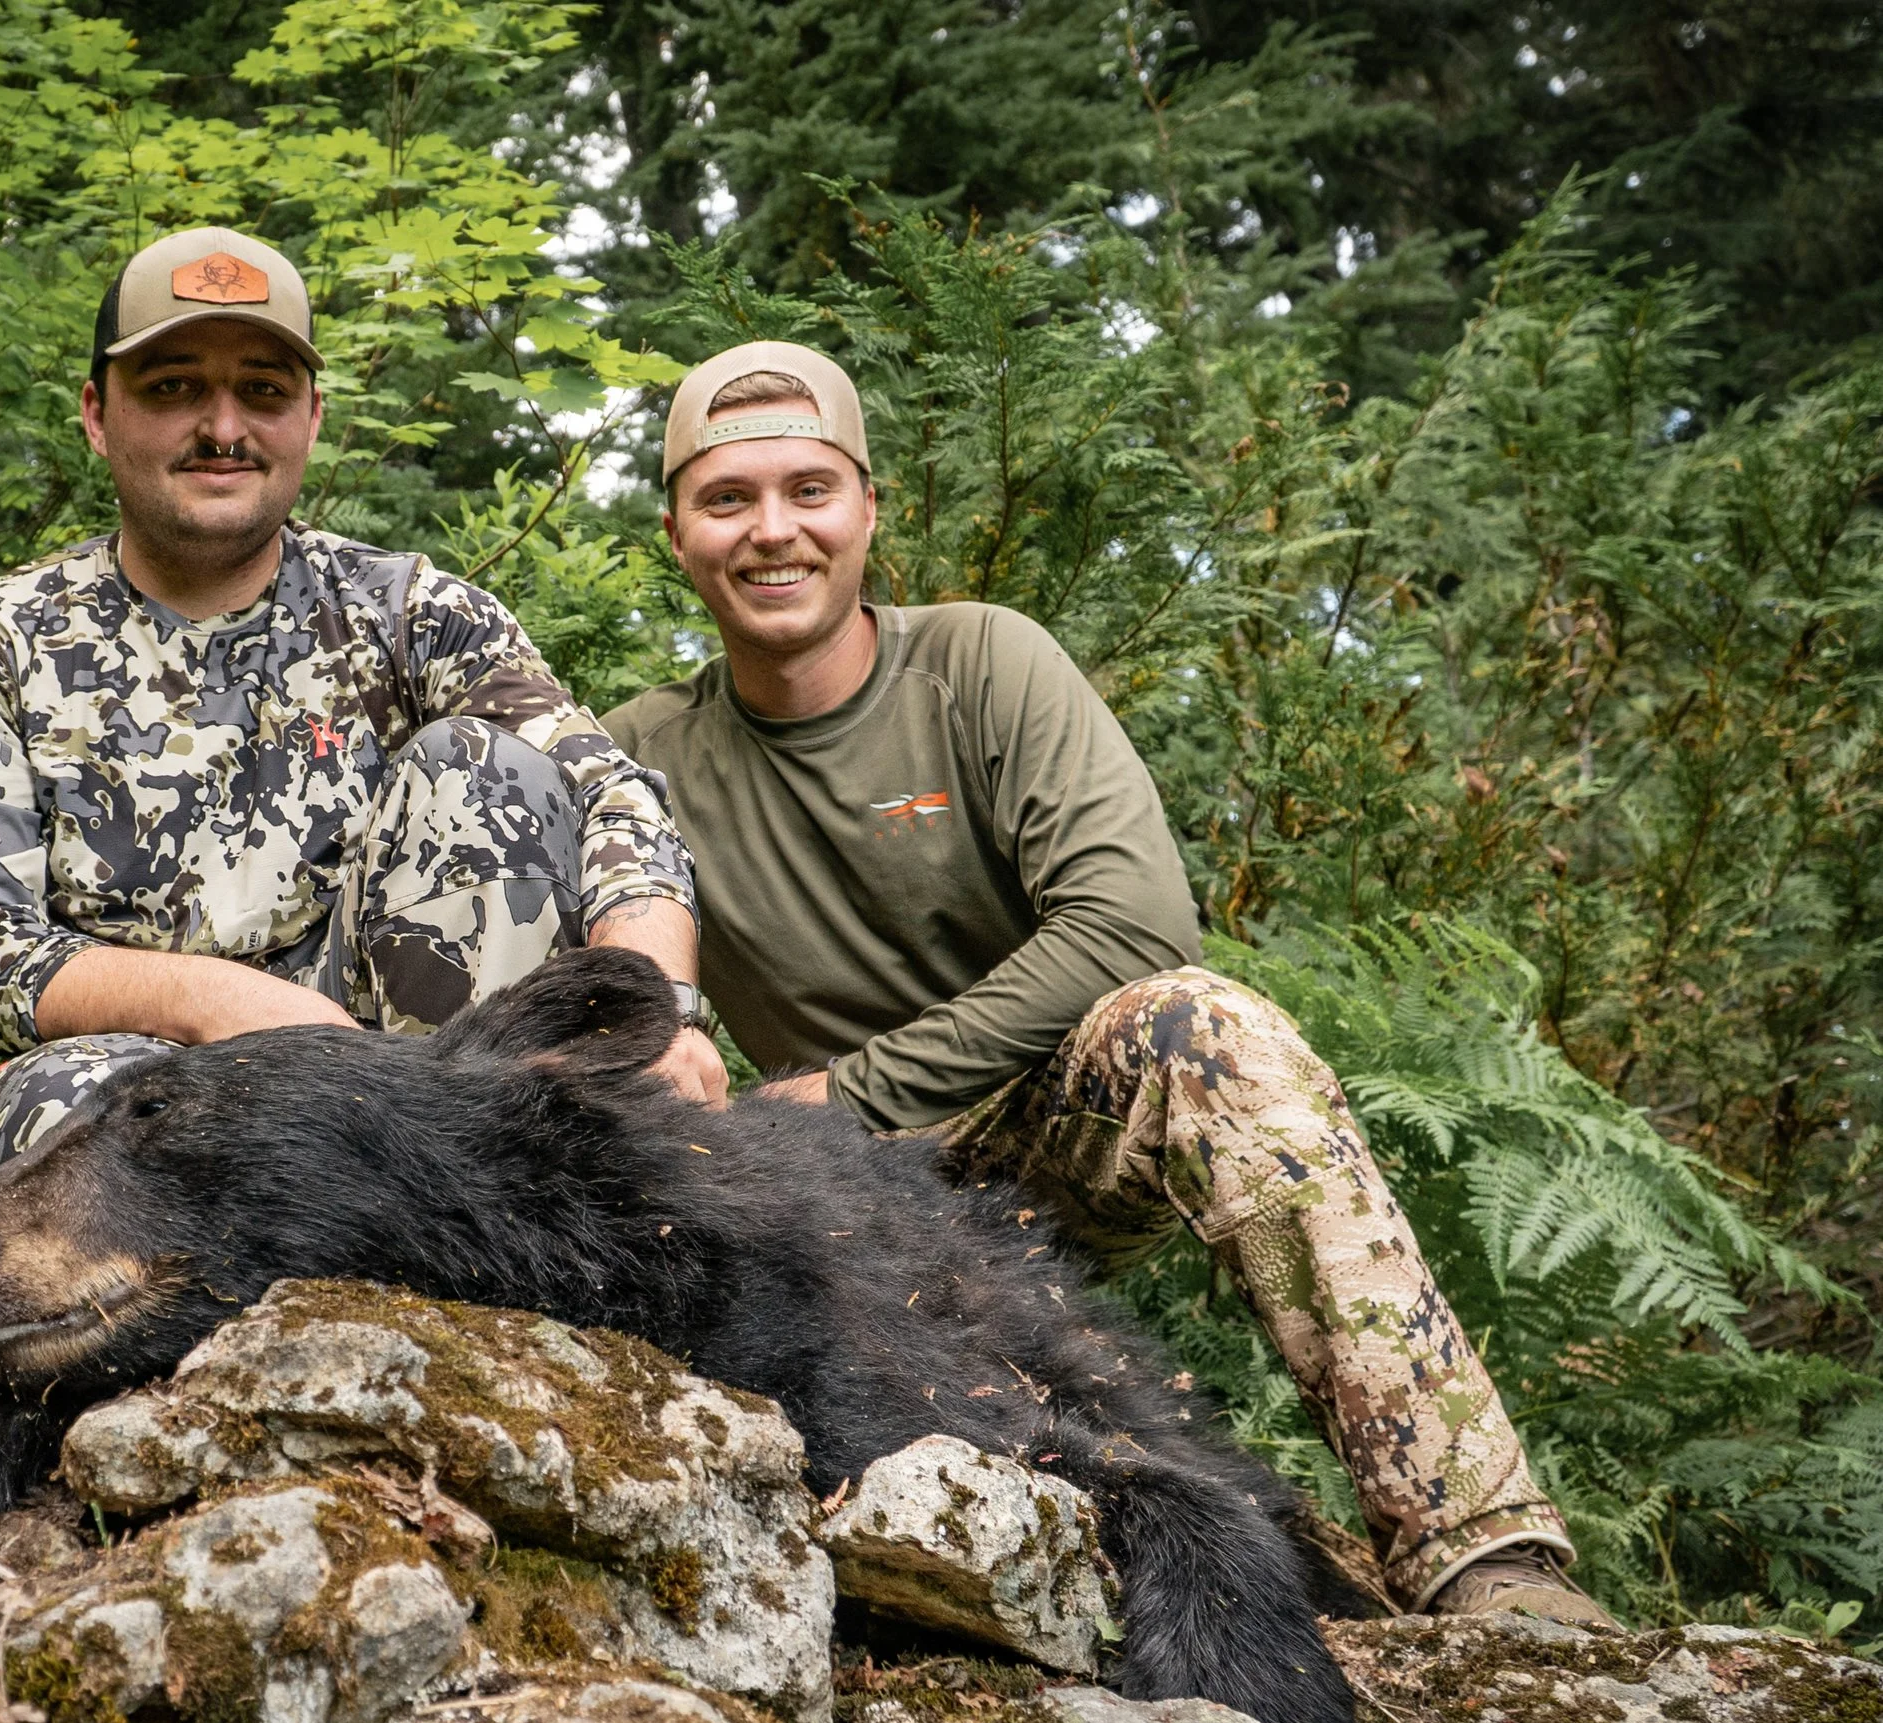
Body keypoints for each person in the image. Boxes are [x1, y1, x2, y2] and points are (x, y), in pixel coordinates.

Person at [602, 340, 1615, 1625]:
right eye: (727, 498)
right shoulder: (637, 752)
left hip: (1041, 1126)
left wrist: (850, 1091)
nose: (772, 531)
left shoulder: (978, 666)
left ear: (867, 508)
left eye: (809, 490)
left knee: (1202, 1026)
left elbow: (1136, 923)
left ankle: (1486, 1561)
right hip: (843, 1212)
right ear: (678, 531)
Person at [0, 226, 725, 1200]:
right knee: (51, 1119)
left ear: (312, 418)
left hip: (413, 1081)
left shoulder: (409, 612)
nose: (224, 427)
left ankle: (477, 1235)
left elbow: (611, 796)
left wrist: (656, 1013)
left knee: (485, 771)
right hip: (140, 1078)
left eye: (264, 391)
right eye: (173, 387)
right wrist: (216, 1002)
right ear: (96, 415)